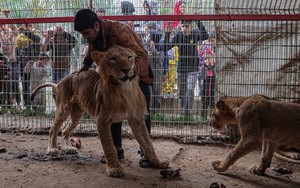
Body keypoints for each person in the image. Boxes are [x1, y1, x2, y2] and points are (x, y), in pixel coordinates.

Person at [74, 8, 153, 167]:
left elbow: (143, 56)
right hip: (115, 77)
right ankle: (117, 151)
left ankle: (146, 154)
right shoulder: (94, 35)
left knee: (141, 114)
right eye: (83, 35)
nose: (85, 37)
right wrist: (85, 66)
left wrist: (130, 73)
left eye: (86, 33)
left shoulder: (120, 31)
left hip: (138, 74)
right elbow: (92, 50)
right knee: (112, 111)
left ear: (96, 26)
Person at [162, 19, 208, 116]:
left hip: (193, 69)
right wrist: (167, 33)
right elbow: (165, 48)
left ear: (191, 27)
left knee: (190, 90)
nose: (184, 29)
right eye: (183, 26)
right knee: (182, 92)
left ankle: (188, 112)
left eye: (187, 26)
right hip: (181, 68)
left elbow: (205, 36)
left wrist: (198, 21)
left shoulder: (195, 34)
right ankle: (183, 113)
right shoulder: (178, 36)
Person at [41, 25, 77, 101]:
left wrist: (63, 32)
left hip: (65, 68)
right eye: (58, 35)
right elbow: (43, 49)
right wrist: (48, 37)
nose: (59, 37)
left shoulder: (68, 41)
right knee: (54, 89)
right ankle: (58, 106)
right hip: (55, 68)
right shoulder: (52, 42)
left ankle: (64, 105)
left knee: (64, 88)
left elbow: (74, 40)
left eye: (61, 35)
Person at [15, 23, 41, 108]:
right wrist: (19, 59)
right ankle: (27, 105)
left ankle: (35, 105)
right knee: (25, 84)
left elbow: (37, 40)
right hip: (23, 63)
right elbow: (17, 50)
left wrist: (26, 31)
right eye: (26, 25)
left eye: (29, 25)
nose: (28, 27)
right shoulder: (20, 36)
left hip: (33, 63)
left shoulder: (35, 34)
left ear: (32, 26)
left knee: (35, 83)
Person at [144, 31, 166, 113]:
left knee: (157, 94)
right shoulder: (145, 48)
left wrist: (153, 49)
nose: (147, 38)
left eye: (149, 36)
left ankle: (157, 113)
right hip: (148, 75)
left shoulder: (160, 50)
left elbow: (158, 59)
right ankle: (148, 112)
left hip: (157, 75)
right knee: (149, 94)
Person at [0, 10, 18, 107]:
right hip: (4, 62)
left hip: (12, 61)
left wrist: (7, 17)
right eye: (1, 25)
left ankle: (15, 103)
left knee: (14, 83)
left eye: (4, 24)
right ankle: (6, 105)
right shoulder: (1, 35)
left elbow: (15, 28)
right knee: (4, 84)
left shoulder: (12, 33)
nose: (2, 26)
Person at [197, 31, 216, 96]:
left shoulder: (218, 50)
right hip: (204, 70)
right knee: (203, 88)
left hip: (213, 71)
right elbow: (201, 57)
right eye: (209, 41)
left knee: (211, 89)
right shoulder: (206, 48)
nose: (211, 43)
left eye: (212, 41)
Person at [201, 51, 215, 120]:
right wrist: (207, 68)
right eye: (205, 59)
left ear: (212, 59)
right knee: (204, 104)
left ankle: (212, 118)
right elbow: (203, 77)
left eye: (208, 59)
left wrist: (211, 67)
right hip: (205, 91)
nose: (206, 61)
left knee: (213, 105)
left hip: (213, 91)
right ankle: (203, 118)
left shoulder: (215, 68)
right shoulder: (204, 68)